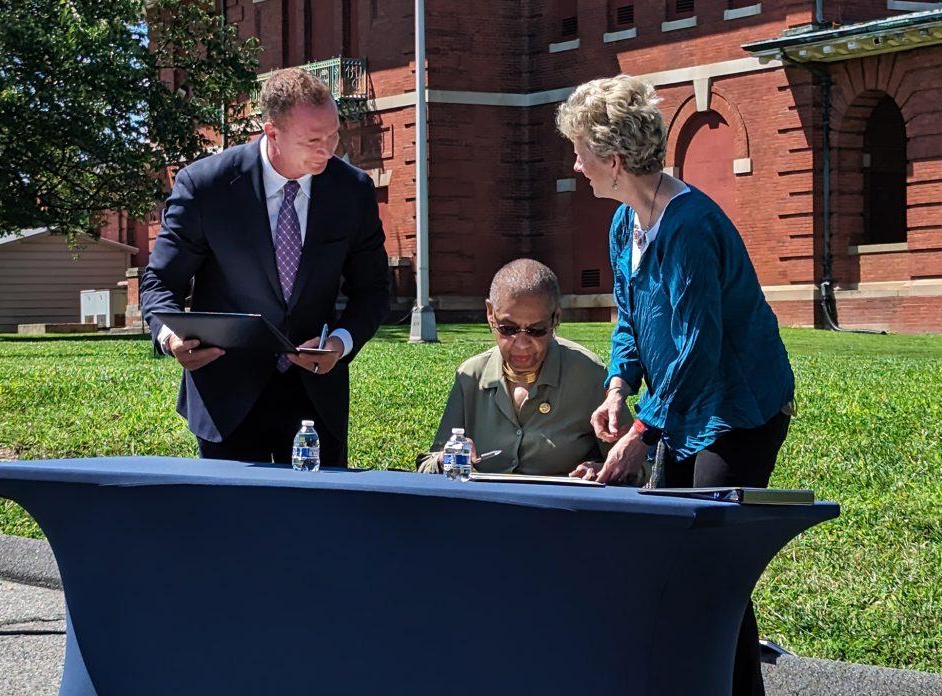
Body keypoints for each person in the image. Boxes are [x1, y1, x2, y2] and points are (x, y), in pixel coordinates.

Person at [556, 75, 796, 696]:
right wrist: (616, 386)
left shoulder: (688, 225)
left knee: (714, 566)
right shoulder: (623, 225)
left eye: (579, 150)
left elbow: (697, 349)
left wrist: (642, 431)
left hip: (739, 410)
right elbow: (632, 320)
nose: (574, 164)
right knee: (679, 556)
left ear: (611, 159)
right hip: (683, 407)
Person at [141, 68, 390, 466]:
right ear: (271, 133)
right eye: (313, 140)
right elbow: (159, 282)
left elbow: (375, 289)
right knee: (234, 525)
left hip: (315, 396)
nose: (329, 150)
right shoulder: (205, 186)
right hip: (227, 397)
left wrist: (341, 342)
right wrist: (171, 338)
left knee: (315, 524)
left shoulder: (352, 191)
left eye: (334, 135)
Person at [417, 259, 628, 476]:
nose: (521, 344)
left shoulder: (589, 374)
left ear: (556, 317)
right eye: (508, 329)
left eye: (536, 330)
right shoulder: (470, 376)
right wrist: (445, 459)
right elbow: (428, 466)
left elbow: (635, 465)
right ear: (490, 313)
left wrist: (603, 470)